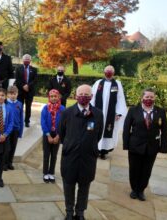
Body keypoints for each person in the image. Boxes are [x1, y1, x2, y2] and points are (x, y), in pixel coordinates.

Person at [58, 84, 104, 220]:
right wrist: (70, 145)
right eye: (81, 94)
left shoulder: (98, 114)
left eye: (87, 94)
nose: (83, 97)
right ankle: (69, 211)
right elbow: (62, 133)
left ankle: (80, 212)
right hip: (70, 156)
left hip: (88, 157)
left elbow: (98, 135)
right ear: (76, 96)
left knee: (84, 186)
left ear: (91, 96)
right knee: (68, 185)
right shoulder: (67, 113)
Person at [123, 88, 167, 201]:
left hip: (152, 147)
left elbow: (165, 130)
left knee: (146, 170)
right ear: (142, 97)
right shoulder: (133, 110)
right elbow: (126, 128)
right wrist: (126, 144)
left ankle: (141, 190)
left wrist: (163, 147)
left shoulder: (160, 111)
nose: (149, 99)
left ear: (154, 98)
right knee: (134, 169)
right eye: (147, 97)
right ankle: (134, 189)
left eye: (151, 97)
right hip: (135, 146)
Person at [91, 65, 127, 160]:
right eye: (107, 71)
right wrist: (90, 109)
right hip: (98, 112)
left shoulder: (117, 84)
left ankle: (103, 151)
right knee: (96, 130)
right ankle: (95, 150)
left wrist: (119, 113)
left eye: (110, 71)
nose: (109, 72)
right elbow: (92, 96)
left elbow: (120, 98)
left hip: (110, 114)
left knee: (107, 130)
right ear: (104, 72)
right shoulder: (98, 83)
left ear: (113, 73)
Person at [41, 89, 65, 183]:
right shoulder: (45, 108)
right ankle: (45, 173)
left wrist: (58, 136)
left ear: (58, 97)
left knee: (54, 155)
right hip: (47, 134)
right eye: (51, 96)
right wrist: (48, 135)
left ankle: (51, 172)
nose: (53, 98)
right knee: (46, 154)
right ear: (49, 97)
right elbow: (43, 122)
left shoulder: (62, 109)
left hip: (57, 135)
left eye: (55, 96)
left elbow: (64, 123)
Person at [0, 88, 14, 187]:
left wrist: (5, 135)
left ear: (6, 97)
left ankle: (0, 177)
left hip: (5, 136)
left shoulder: (9, 108)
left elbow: (11, 123)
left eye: (2, 95)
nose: (0, 97)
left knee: (2, 158)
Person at [15, 54, 37, 127]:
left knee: (28, 107)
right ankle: (19, 120)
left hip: (29, 91)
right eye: (25, 59)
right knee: (19, 106)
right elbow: (17, 80)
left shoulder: (34, 69)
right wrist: (23, 86)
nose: (26, 61)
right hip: (20, 91)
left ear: (30, 61)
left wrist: (28, 86)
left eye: (28, 59)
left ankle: (27, 121)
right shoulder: (18, 69)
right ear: (22, 60)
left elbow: (35, 80)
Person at [5, 86, 24, 170]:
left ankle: (10, 162)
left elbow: (21, 118)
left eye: (14, 94)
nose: (13, 95)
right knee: (7, 147)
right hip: (7, 130)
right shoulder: (5, 104)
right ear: (8, 94)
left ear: (17, 94)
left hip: (16, 129)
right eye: (11, 94)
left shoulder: (19, 104)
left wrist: (20, 131)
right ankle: (4, 164)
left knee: (13, 147)